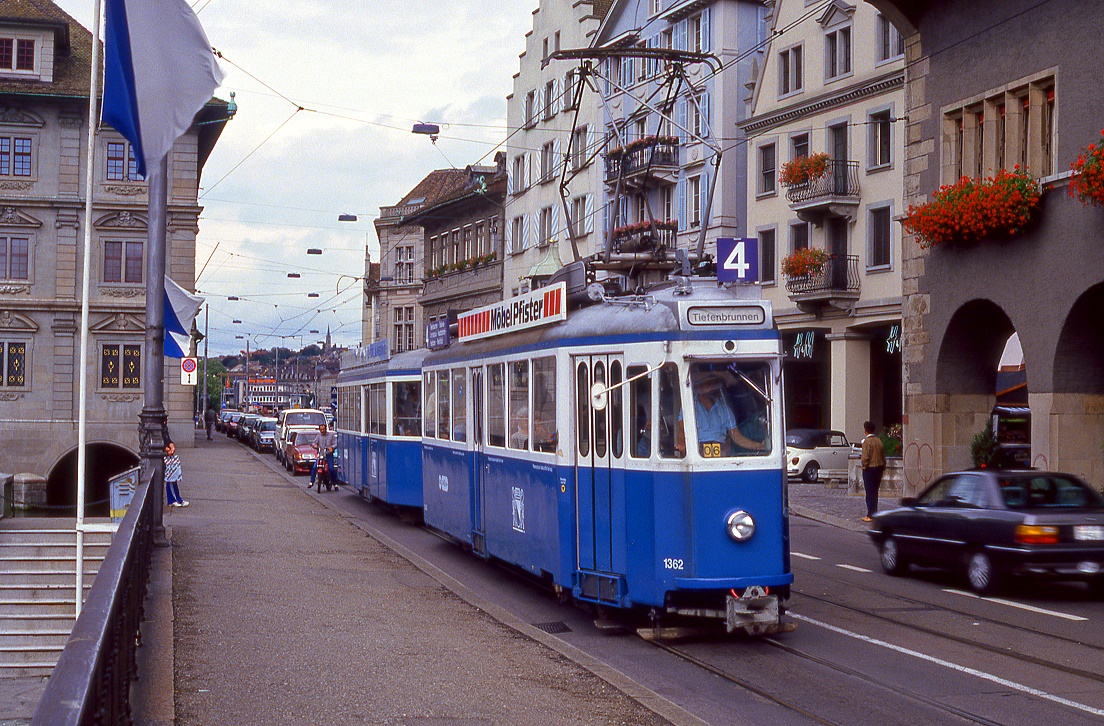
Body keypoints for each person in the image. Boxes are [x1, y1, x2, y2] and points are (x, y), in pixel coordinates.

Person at [676, 373, 765, 456]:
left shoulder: (723, 408)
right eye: (709, 384)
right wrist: (682, 446)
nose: (713, 388)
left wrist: (758, 446)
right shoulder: (690, 405)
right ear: (699, 387)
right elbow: (681, 429)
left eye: (714, 385)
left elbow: (736, 435)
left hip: (721, 454)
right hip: (696, 452)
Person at [860, 420, 886, 522]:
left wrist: (864, 467)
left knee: (869, 492)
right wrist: (883, 466)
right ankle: (874, 512)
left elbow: (865, 457)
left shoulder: (867, 442)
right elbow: (883, 456)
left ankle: (870, 514)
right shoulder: (879, 441)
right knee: (875, 492)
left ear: (865, 430)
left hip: (870, 468)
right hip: (879, 468)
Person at [163, 435, 189, 508]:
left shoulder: (164, 428)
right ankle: (173, 500)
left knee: (172, 478)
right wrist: (167, 449)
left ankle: (177, 499)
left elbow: (167, 439)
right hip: (164, 456)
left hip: (168, 455)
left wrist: (172, 447)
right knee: (170, 479)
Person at [309, 423, 337, 489]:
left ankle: (335, 483)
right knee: (314, 467)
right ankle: (311, 482)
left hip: (328, 455)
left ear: (326, 429)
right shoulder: (318, 436)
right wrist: (314, 445)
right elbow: (314, 442)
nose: (322, 431)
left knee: (331, 469)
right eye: (321, 429)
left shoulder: (331, 435)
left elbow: (336, 443)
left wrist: (331, 448)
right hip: (321, 455)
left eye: (323, 429)